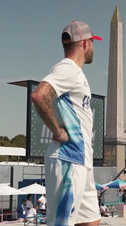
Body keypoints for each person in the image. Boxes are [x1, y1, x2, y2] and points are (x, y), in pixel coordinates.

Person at [31, 20, 102, 226]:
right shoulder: (68, 69)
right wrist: (58, 131)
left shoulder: (76, 73)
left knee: (91, 221)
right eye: (93, 43)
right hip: (67, 159)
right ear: (86, 44)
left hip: (82, 160)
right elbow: (39, 95)